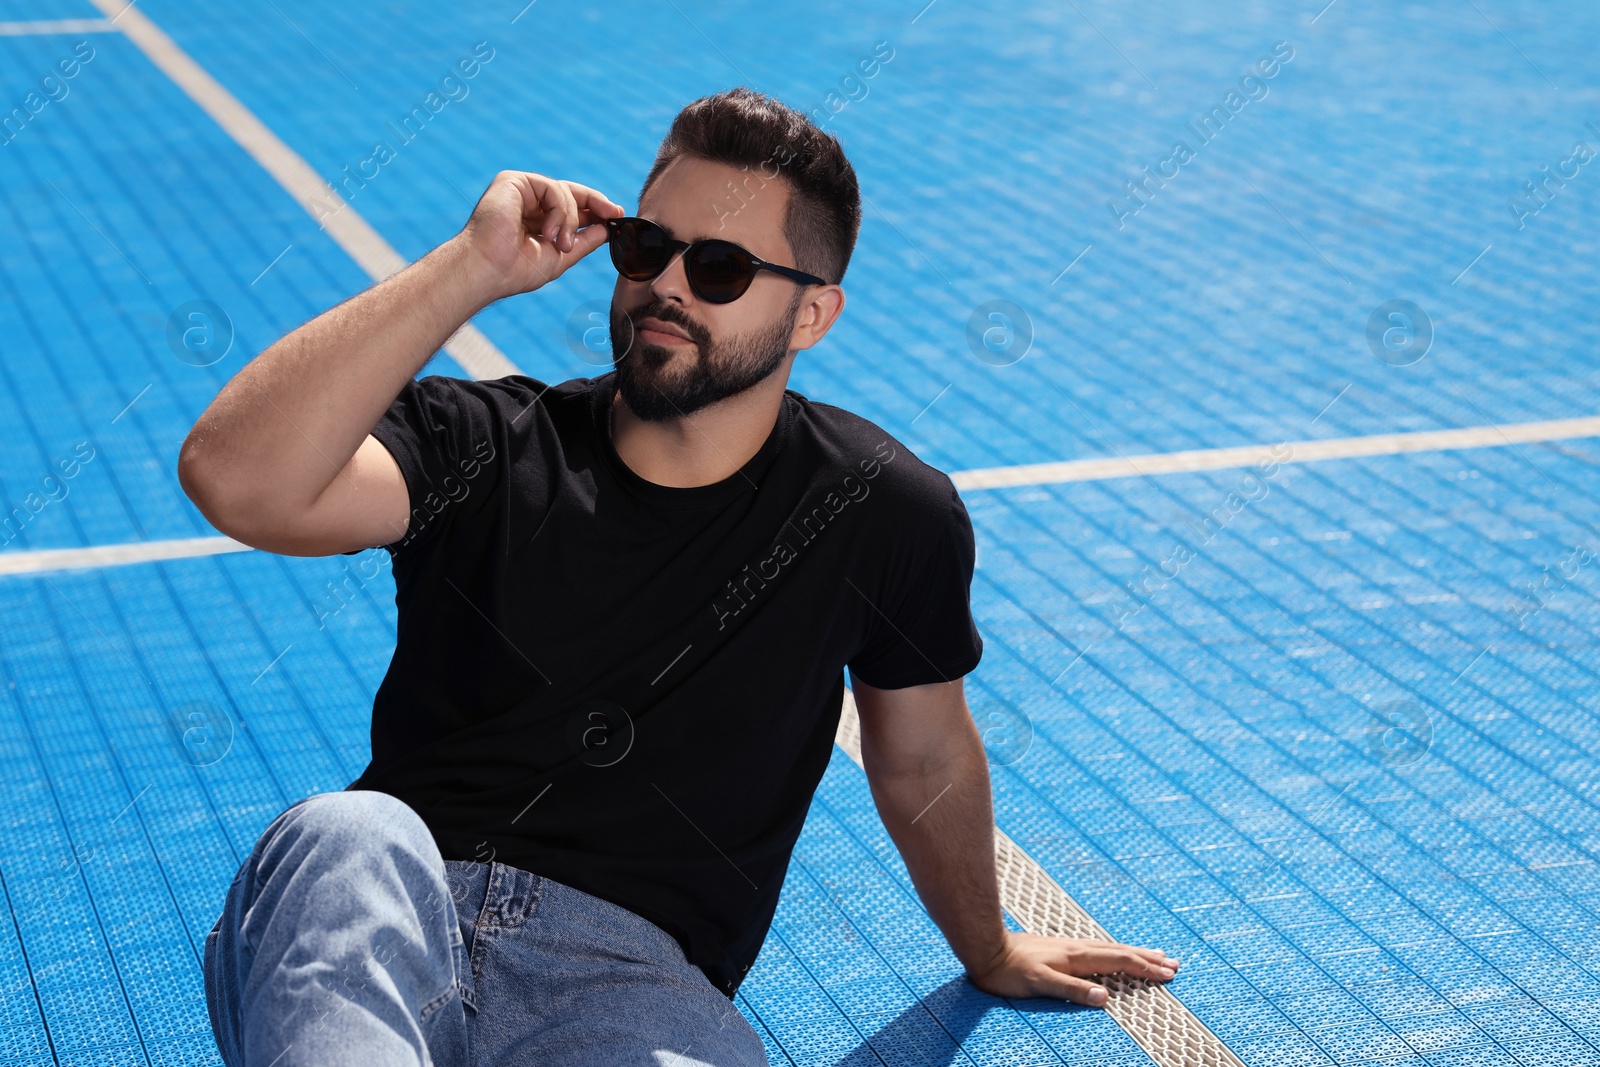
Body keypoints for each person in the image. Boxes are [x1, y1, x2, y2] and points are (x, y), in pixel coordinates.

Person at [177, 86, 1178, 1067]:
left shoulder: (882, 511)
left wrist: (988, 947)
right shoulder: (484, 442)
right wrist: (468, 270)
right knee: (343, 830)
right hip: (387, 918)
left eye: (723, 267)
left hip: (629, 984)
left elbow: (920, 759)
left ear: (811, 314)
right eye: (647, 247)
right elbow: (237, 479)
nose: (670, 286)